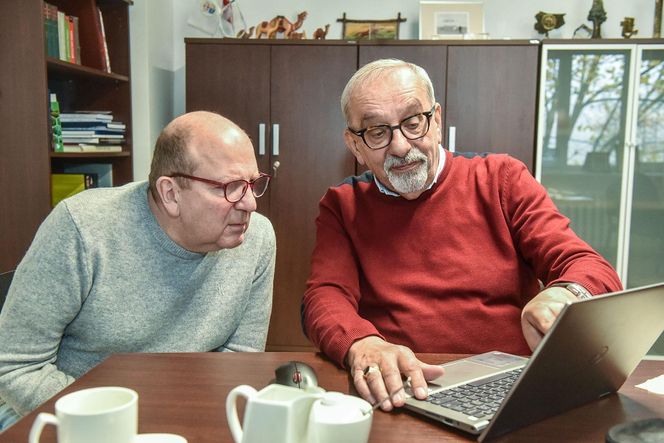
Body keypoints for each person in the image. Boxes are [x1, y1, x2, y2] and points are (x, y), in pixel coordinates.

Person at [301, 59, 622, 412]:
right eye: (377, 132)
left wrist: (565, 293)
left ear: (436, 120)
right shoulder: (343, 205)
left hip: (511, 387)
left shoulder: (502, 179)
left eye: (413, 123)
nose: (400, 147)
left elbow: (587, 264)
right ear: (354, 144)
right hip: (406, 389)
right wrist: (362, 343)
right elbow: (325, 295)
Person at [0, 111, 276, 428]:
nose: (250, 204)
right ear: (170, 193)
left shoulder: (257, 239)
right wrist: (121, 423)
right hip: (69, 418)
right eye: (230, 187)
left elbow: (238, 361)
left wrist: (175, 422)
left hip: (183, 419)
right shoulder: (82, 229)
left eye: (253, 183)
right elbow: (16, 366)